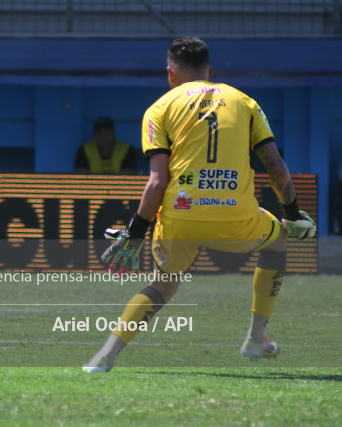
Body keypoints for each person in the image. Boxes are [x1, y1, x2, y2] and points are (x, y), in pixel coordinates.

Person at [82, 37, 316, 373]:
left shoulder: (159, 108)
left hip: (181, 216)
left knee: (162, 285)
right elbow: (276, 166)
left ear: (170, 73)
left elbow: (157, 182)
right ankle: (255, 339)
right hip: (236, 217)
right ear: (210, 71)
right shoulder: (245, 102)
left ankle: (106, 355)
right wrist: (291, 213)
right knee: (278, 239)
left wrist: (134, 234)